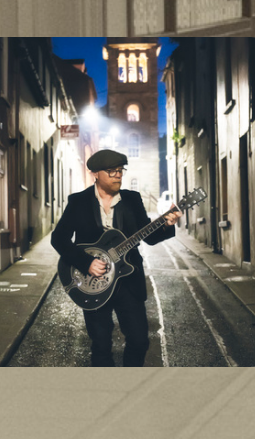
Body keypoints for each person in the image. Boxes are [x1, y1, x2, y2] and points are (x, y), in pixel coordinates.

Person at [51, 149, 180, 366]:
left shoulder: (132, 199)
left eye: (120, 170)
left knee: (139, 341)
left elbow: (148, 236)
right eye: (111, 171)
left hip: (128, 282)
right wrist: (86, 263)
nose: (118, 175)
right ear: (96, 174)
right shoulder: (78, 202)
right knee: (101, 346)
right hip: (93, 284)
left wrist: (166, 224)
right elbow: (59, 238)